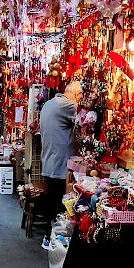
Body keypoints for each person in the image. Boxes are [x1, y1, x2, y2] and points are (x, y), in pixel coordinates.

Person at [39, 81, 82, 250]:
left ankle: (48, 237)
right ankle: (55, 241)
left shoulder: (50, 103)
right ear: (77, 95)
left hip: (50, 161)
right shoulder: (68, 106)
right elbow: (87, 115)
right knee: (61, 204)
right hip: (60, 164)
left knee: (54, 202)